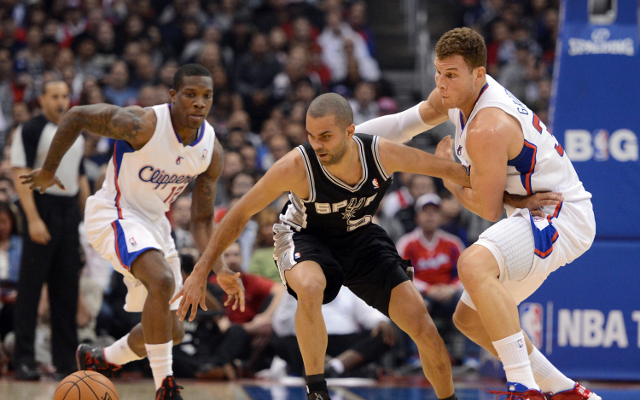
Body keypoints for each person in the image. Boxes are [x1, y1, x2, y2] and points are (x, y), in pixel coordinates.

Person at [175, 92, 471, 400]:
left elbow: (451, 171)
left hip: (359, 237)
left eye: (326, 137)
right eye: (312, 136)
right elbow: (238, 215)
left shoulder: (381, 153)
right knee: (311, 286)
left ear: (349, 132)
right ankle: (316, 391)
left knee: (421, 322)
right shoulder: (295, 165)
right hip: (305, 235)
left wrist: (517, 192)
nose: (317, 145)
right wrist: (201, 270)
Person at [356, 27, 600, 400]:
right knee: (468, 319)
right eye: (438, 72)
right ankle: (565, 390)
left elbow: (485, 208)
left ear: (479, 75)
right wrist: (351, 137)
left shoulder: (487, 125)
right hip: (534, 211)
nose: (441, 83)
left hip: (559, 213)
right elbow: (407, 122)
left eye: (450, 75)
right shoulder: (457, 96)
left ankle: (524, 388)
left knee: (473, 265)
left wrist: (451, 178)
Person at [19, 64, 245, 400]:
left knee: (173, 331)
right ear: (173, 96)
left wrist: (220, 268)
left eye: (206, 96)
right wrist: (49, 169)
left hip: (155, 224)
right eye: (191, 95)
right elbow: (77, 115)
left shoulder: (210, 150)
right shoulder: (142, 124)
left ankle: (102, 358)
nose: (199, 103)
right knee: (163, 282)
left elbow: (200, 221)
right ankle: (165, 388)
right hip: (114, 211)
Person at [10, 80, 89, 380]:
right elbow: (20, 174)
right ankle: (25, 361)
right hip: (41, 208)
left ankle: (65, 363)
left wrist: (87, 215)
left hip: (69, 213)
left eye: (65, 96)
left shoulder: (76, 131)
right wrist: (33, 219)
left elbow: (79, 175)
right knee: (30, 291)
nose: (60, 101)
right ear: (41, 99)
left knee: (67, 290)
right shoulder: (29, 130)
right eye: (54, 96)